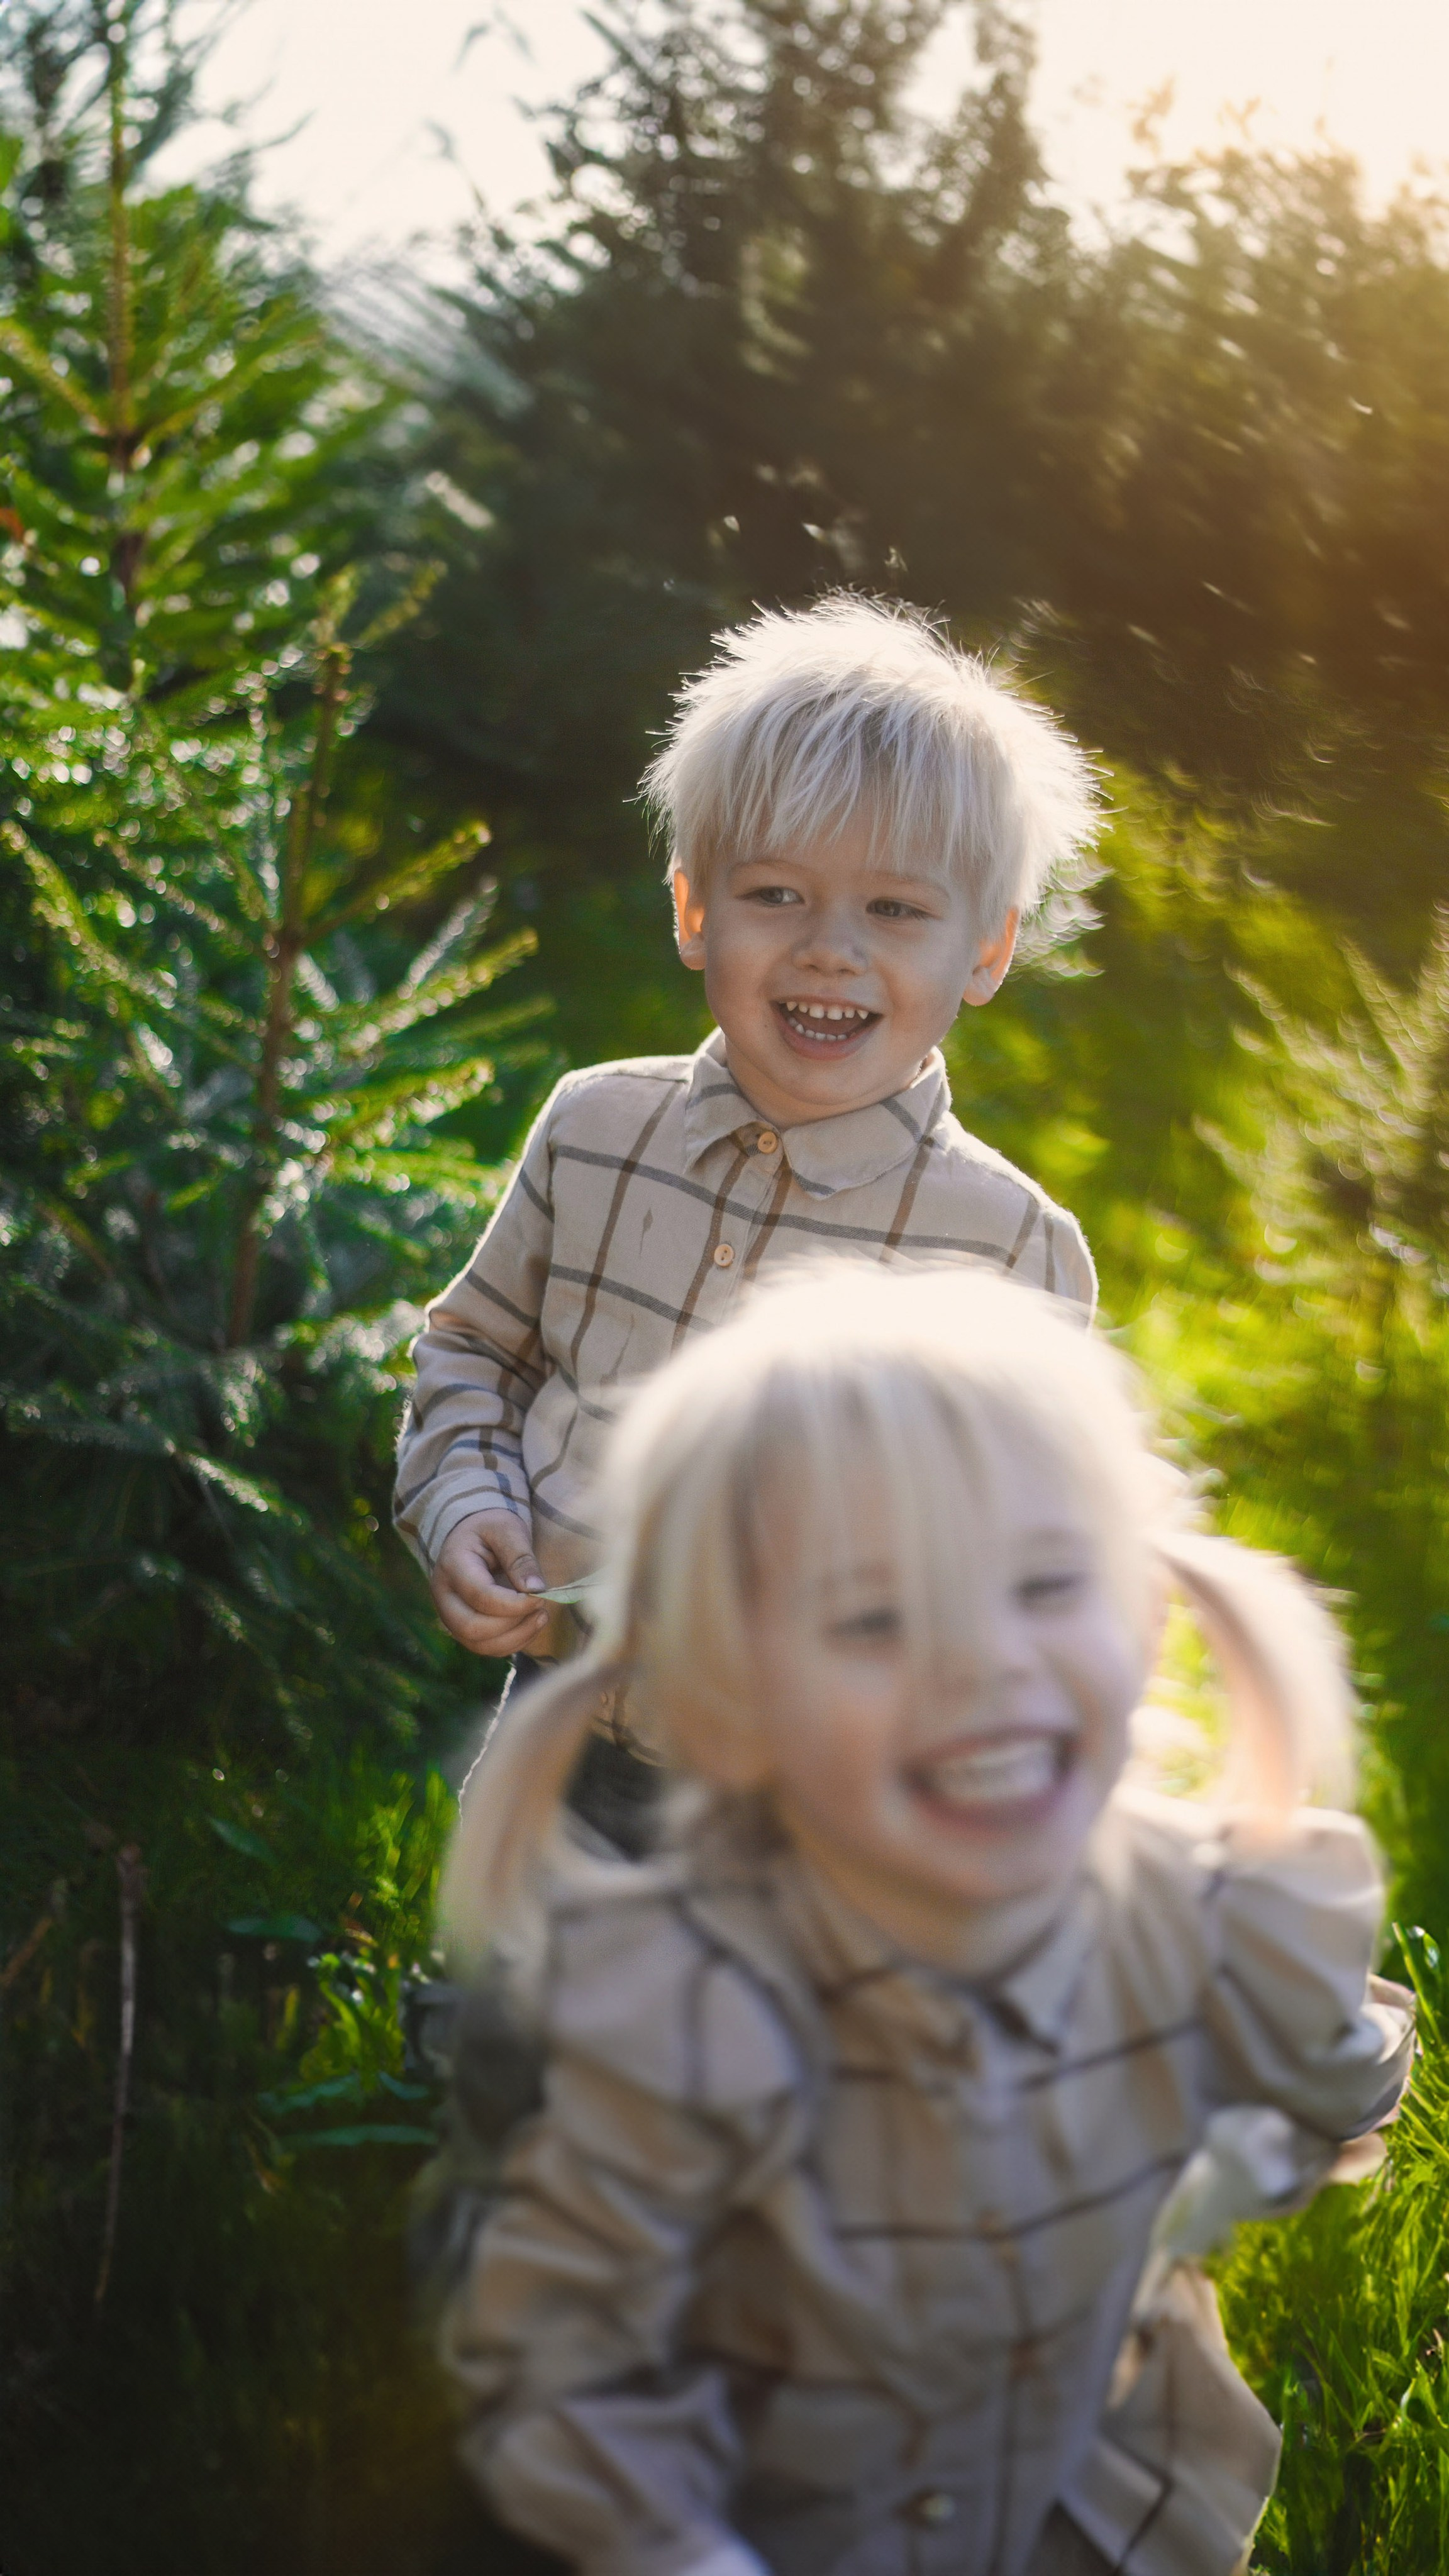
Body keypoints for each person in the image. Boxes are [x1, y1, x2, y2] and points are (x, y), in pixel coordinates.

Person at [434, 1265, 1413, 2576]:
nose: (984, 1662)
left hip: (1080, 2503)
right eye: (878, 1616)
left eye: (1046, 1585)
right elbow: (575, 2345)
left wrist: (1258, 2075)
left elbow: (1321, 2107)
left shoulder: (1213, 1911)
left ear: (1140, 1610)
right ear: (735, 1699)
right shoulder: (687, 1989)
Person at [392, 597, 1103, 1770]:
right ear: (692, 909)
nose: (832, 947)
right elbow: (475, 1351)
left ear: (986, 950)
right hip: (559, 1735)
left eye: (896, 909)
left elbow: (1034, 1560)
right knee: (513, 1963)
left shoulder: (1010, 1250)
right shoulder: (596, 1130)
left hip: (819, 1799)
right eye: (777, 894)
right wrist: (467, 1507)